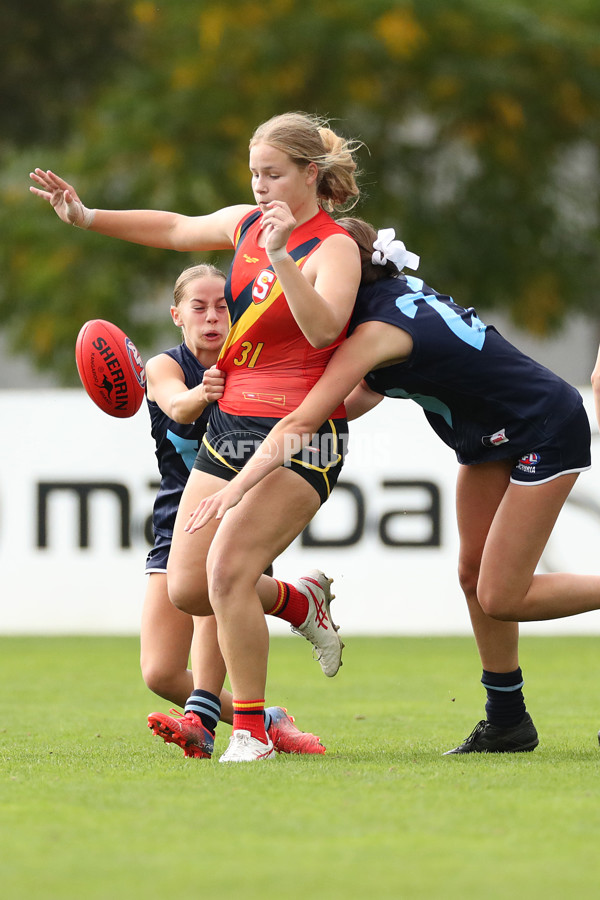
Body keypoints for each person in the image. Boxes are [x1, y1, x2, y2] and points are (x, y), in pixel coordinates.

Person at [185, 216, 598, 755]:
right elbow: (346, 404)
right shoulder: (386, 302)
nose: (302, 285)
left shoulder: (373, 332)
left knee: (502, 594)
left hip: (543, 423)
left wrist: (238, 485)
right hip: (489, 434)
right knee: (472, 575)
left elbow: (307, 420)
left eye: (312, 271)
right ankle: (508, 720)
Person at [30, 111, 363, 763]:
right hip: (236, 425)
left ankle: (248, 732)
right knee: (189, 587)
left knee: (229, 572)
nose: (260, 186)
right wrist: (89, 215)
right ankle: (299, 600)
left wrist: (278, 258)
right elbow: (178, 228)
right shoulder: (245, 225)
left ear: (309, 175)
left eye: (273, 174)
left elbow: (325, 331)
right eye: (254, 174)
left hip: (305, 431)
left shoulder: (334, 247)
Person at [141, 262, 325, 756]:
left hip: (238, 508)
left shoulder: (259, 365)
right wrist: (207, 390)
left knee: (211, 589)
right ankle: (270, 706)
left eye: (223, 306)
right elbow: (177, 407)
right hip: (175, 516)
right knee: (159, 672)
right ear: (177, 314)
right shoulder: (164, 365)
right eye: (198, 308)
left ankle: (215, 725)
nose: (212, 317)